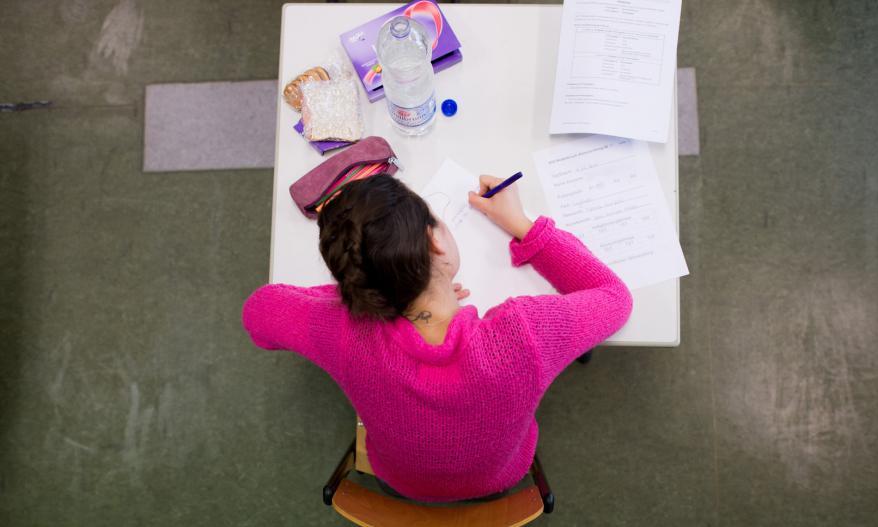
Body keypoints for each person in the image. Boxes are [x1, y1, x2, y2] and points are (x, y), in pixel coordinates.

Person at [242, 173, 632, 502]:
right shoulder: (525, 333)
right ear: (435, 242)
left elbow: (258, 314)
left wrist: (361, 299)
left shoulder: (344, 331)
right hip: (502, 476)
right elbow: (616, 298)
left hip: (398, 480)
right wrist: (523, 225)